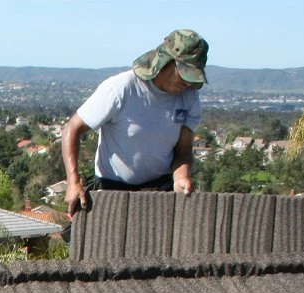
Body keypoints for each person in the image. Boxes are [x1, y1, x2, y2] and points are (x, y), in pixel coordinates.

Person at [61, 29, 208, 217]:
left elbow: (184, 150)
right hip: (111, 191)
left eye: (193, 78)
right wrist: (73, 182)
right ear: (167, 62)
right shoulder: (121, 89)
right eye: (185, 75)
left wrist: (181, 177)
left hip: (160, 192)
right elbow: (72, 129)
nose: (188, 84)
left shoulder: (190, 98)